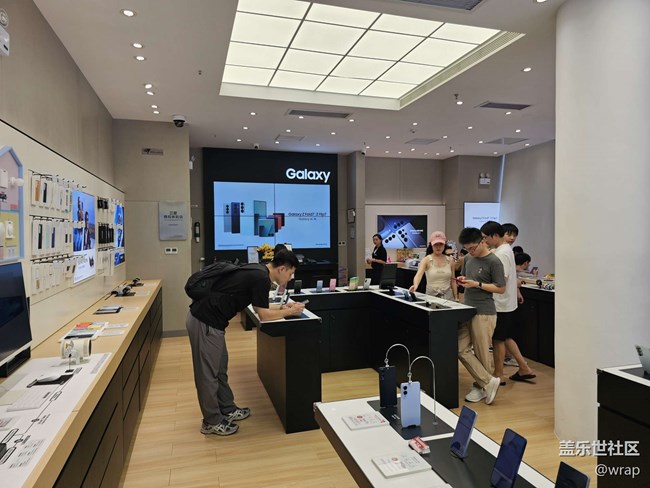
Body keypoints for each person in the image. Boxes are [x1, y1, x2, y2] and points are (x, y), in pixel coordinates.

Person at [186, 250, 306, 436]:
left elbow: (259, 306)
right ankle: (211, 421)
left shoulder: (259, 271)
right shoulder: (261, 278)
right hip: (205, 321)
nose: (290, 278)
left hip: (213, 323)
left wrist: (284, 306)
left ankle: (227, 408)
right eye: (290, 273)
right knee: (208, 374)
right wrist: (290, 312)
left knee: (220, 369)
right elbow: (264, 315)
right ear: (282, 269)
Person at [481, 221, 536, 385]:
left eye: (485, 237)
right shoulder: (503, 251)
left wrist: (479, 282)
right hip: (505, 302)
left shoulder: (502, 254)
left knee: (498, 339)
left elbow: (501, 280)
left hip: (501, 303)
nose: (484, 240)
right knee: (505, 337)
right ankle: (524, 367)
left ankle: (499, 375)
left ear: (494, 235)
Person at [456, 227, 505, 405]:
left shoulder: (494, 261)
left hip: (484, 312)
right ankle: (487, 382)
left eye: (472, 248)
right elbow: (465, 277)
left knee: (482, 352)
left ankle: (481, 386)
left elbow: (501, 288)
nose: (470, 251)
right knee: (460, 348)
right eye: (467, 249)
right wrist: (462, 281)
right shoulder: (468, 259)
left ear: (482, 241)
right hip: (467, 309)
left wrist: (477, 284)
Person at [409, 231, 458, 300]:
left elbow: (453, 280)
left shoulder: (450, 260)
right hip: (431, 297)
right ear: (431, 245)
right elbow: (418, 275)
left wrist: (456, 297)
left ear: (445, 244)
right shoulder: (426, 260)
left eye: (441, 244)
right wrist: (415, 285)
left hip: (448, 298)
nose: (438, 247)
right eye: (435, 244)